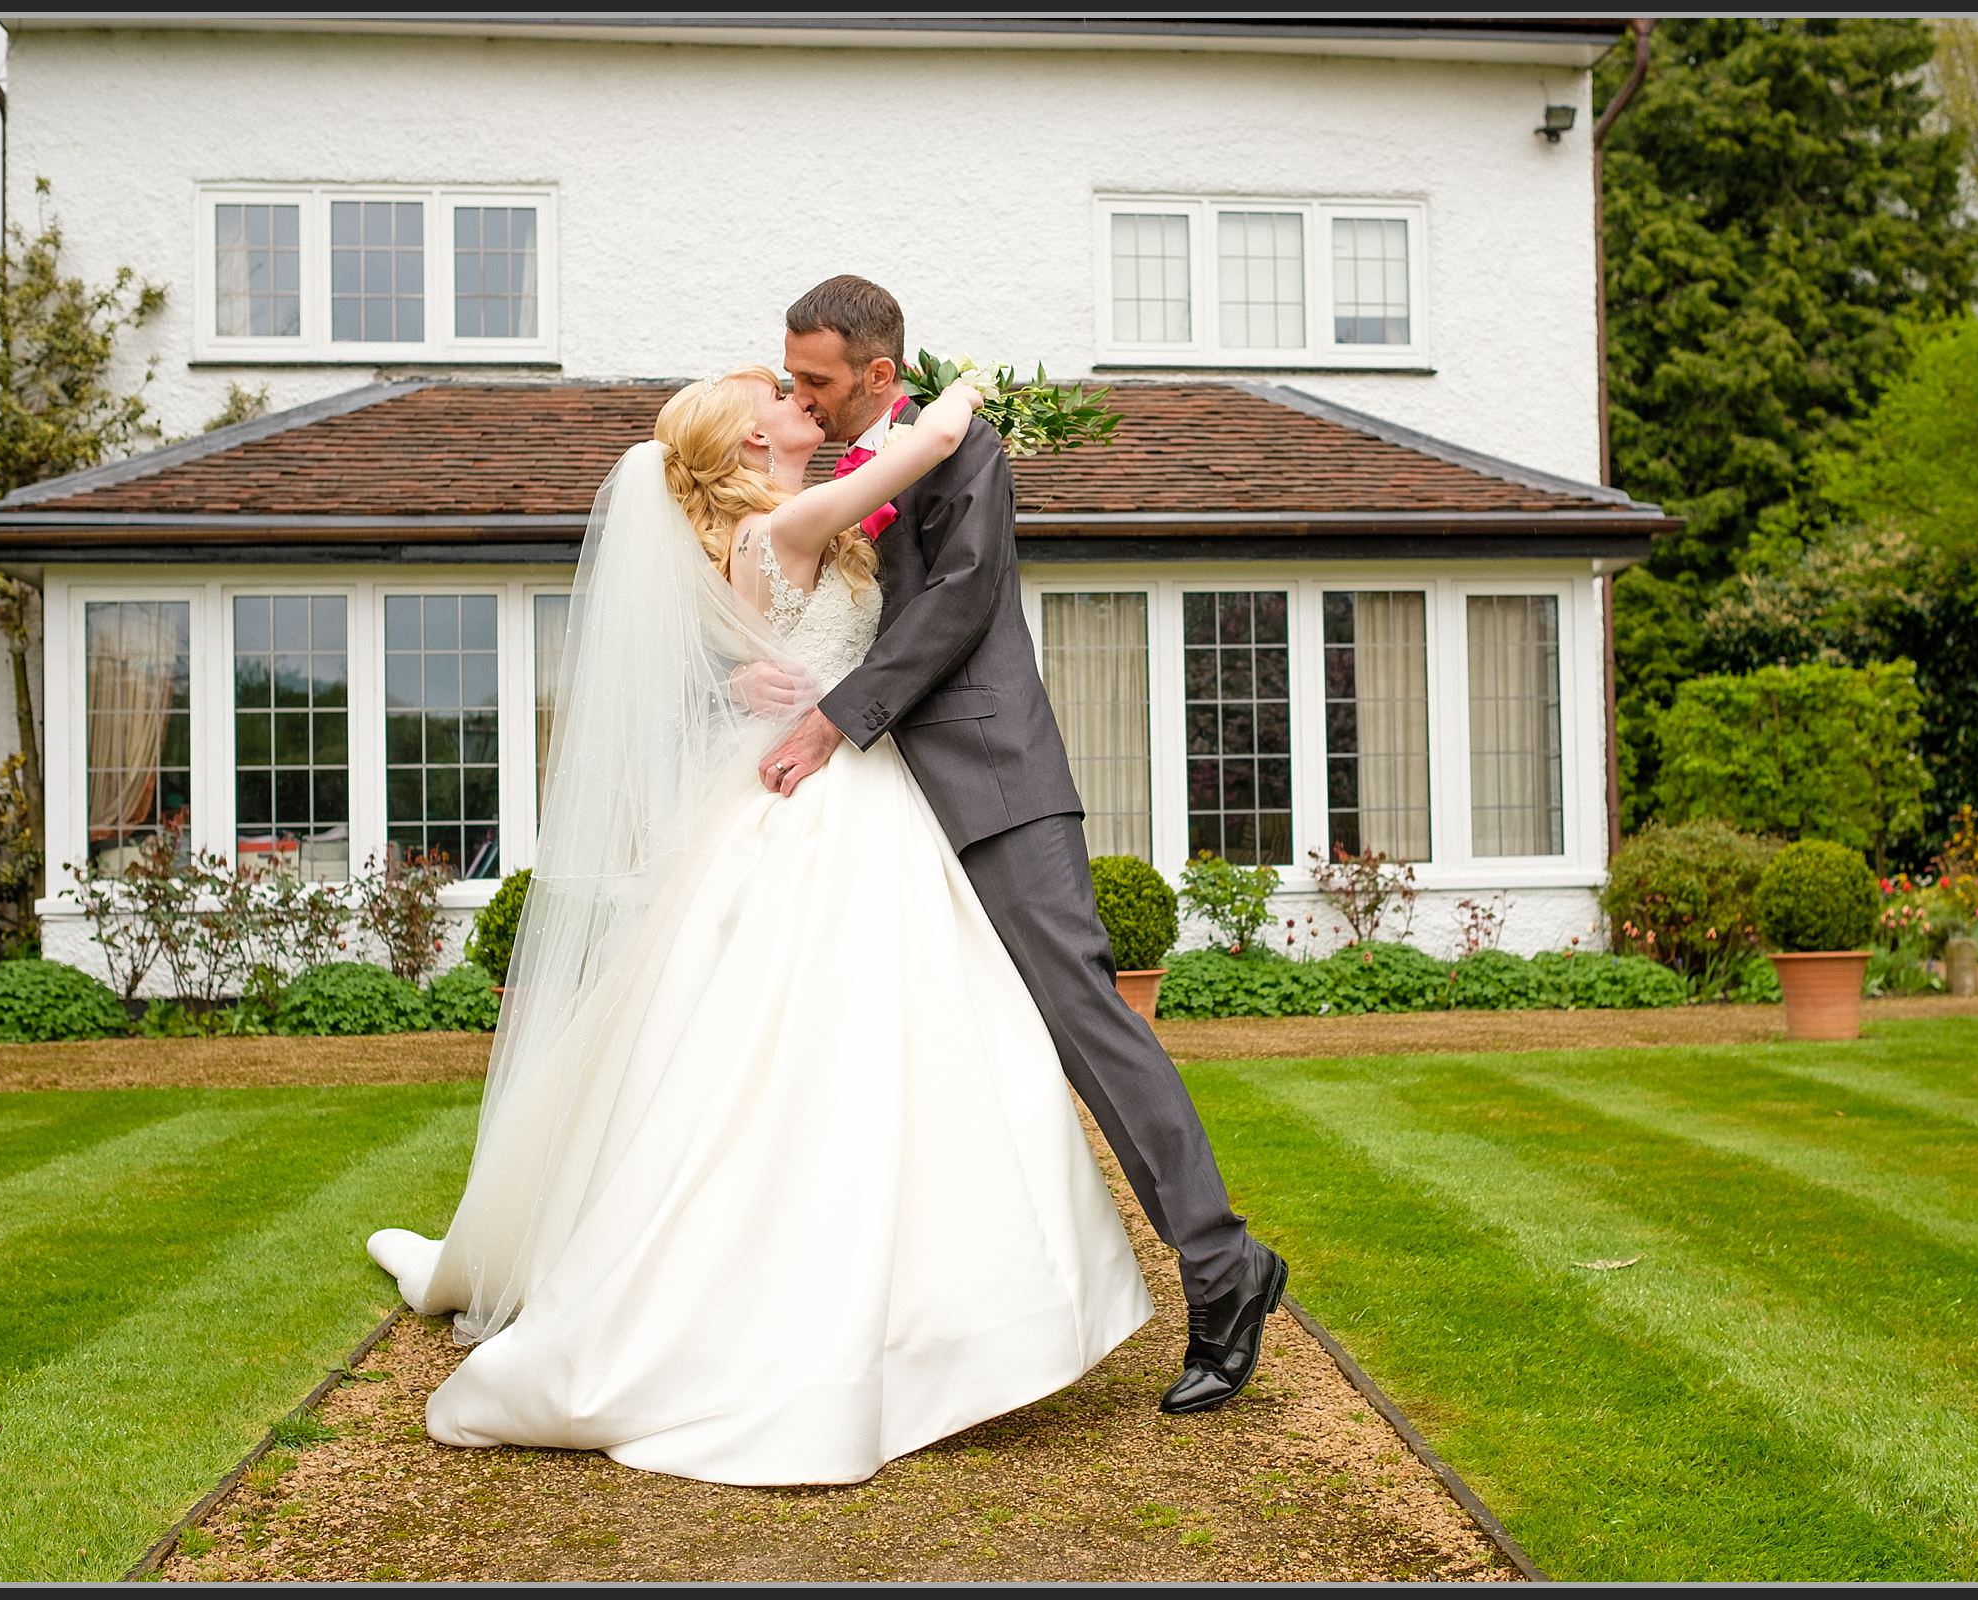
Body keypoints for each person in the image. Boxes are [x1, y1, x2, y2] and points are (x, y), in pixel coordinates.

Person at [366, 361, 1153, 1488]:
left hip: (859, 794)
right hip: (821, 807)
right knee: (811, 1053)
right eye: (778, 396)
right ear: (746, 442)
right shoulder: (781, 525)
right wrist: (970, 388)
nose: (799, 402)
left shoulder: (791, 531)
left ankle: (919, 1304)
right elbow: (926, 448)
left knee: (907, 1043)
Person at [756, 275, 1288, 1416]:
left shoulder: (964, 448)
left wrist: (832, 714)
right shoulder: (837, 474)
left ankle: (1224, 1266)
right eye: (789, 373)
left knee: (1086, 1025)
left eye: (816, 378)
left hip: (994, 787)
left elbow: (957, 603)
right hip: (884, 822)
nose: (797, 391)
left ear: (881, 375)